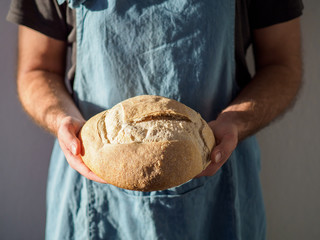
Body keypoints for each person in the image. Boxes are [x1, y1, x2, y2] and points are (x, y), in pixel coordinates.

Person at [7, 0, 303, 239]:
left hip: (216, 196)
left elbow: (282, 64)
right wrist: (61, 120)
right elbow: (38, 68)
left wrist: (236, 122)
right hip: (92, 195)